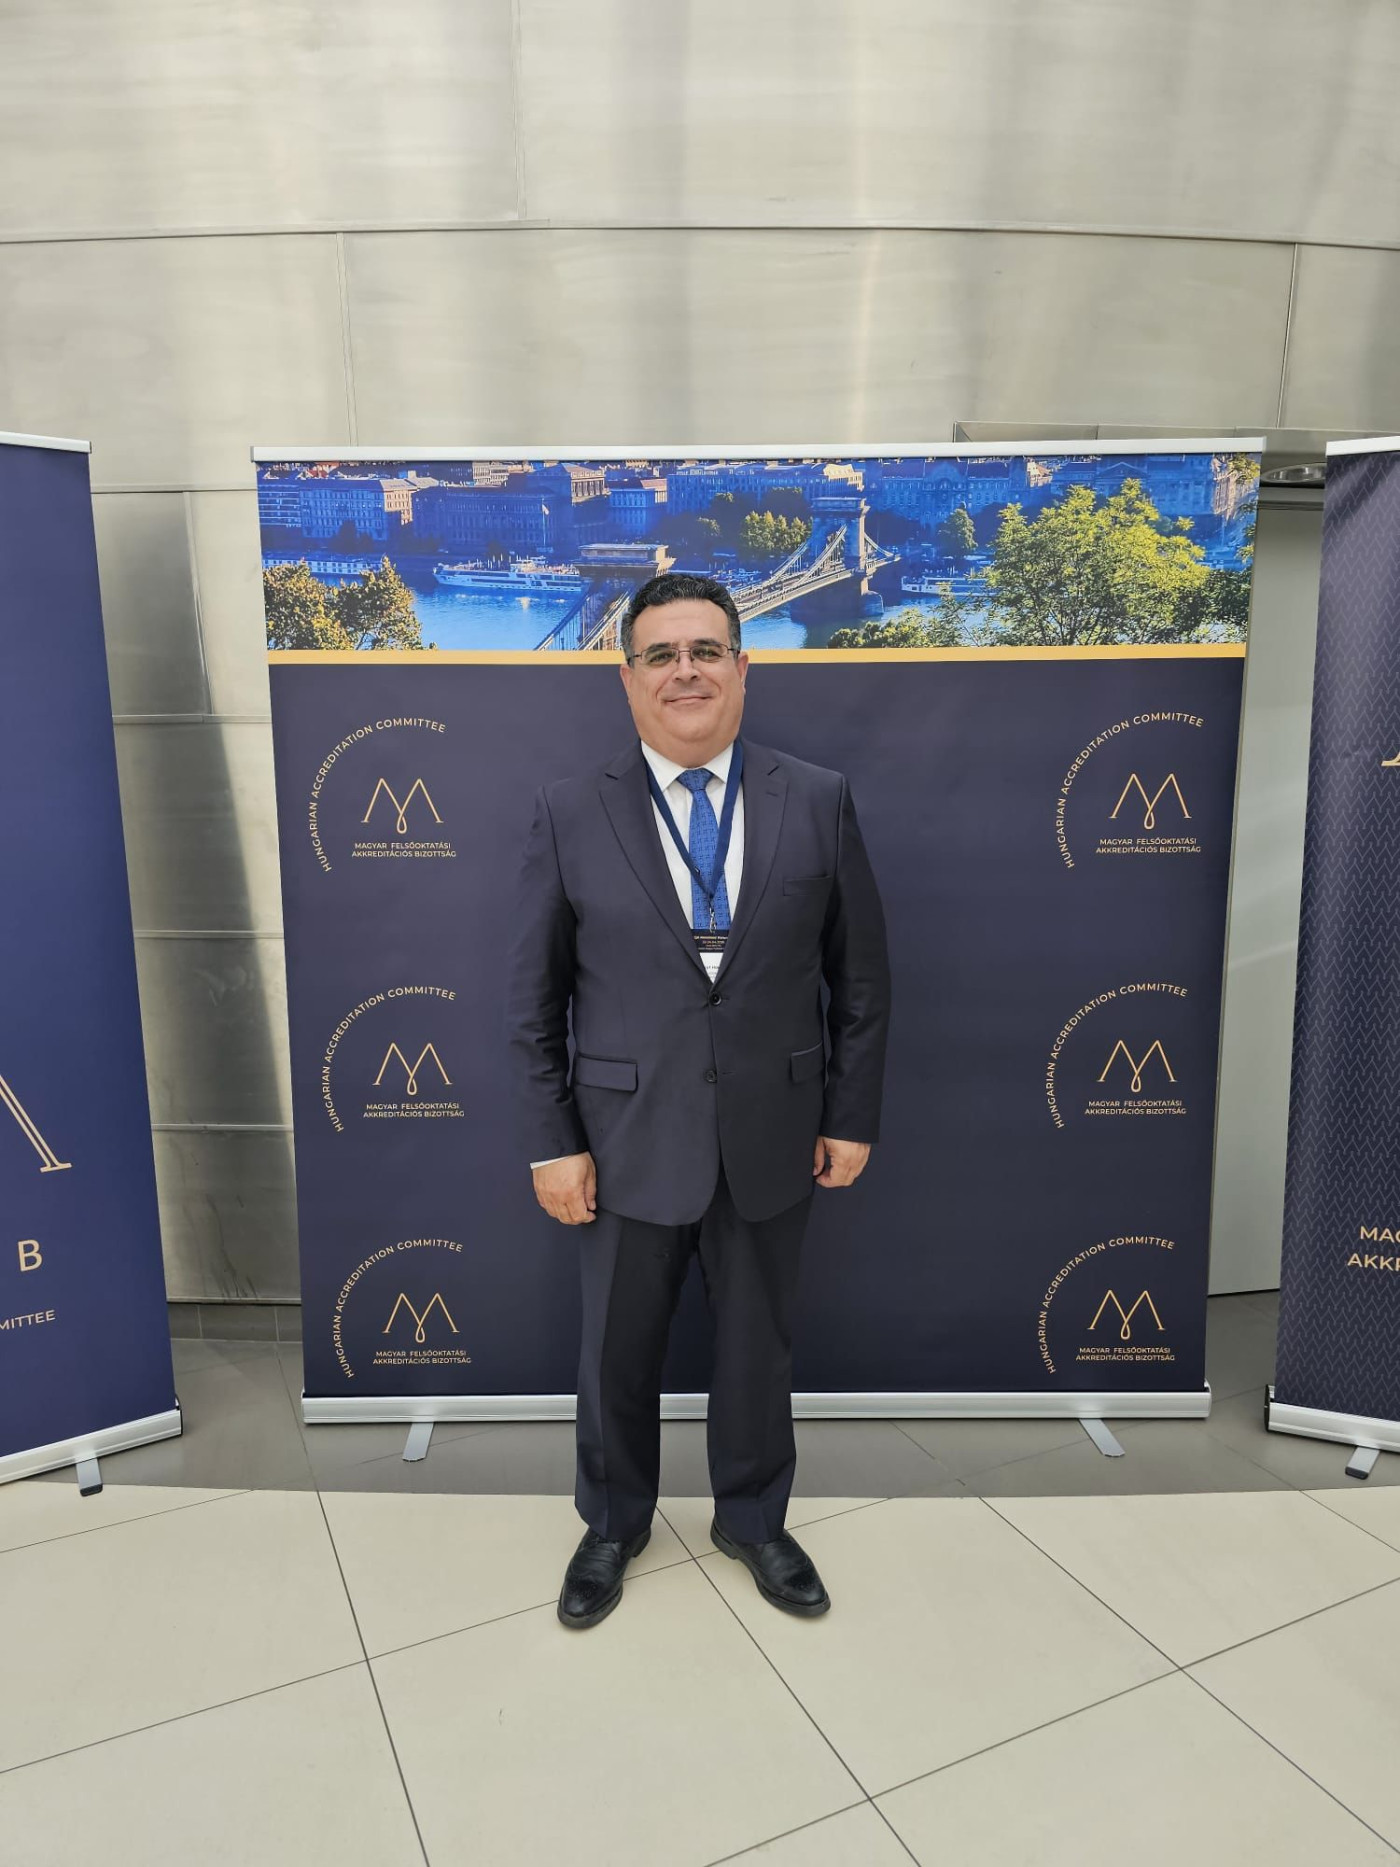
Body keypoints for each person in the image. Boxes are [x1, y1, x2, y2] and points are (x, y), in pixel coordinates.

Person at [508, 571, 891, 1630]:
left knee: (758, 1350)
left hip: (775, 1133)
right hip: (622, 1139)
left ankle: (754, 1520)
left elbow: (860, 980)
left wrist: (849, 1114)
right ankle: (612, 1522)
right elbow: (532, 999)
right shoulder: (568, 810)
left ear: (741, 667)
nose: (685, 671)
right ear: (628, 676)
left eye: (706, 650)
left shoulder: (817, 797)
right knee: (614, 1352)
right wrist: (551, 1141)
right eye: (661, 654)